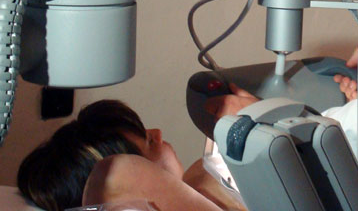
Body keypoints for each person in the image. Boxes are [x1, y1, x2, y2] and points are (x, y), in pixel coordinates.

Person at [17, 90, 257, 211]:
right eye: (150, 143)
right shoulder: (118, 178)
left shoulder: (202, 176)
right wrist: (255, 125)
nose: (158, 133)